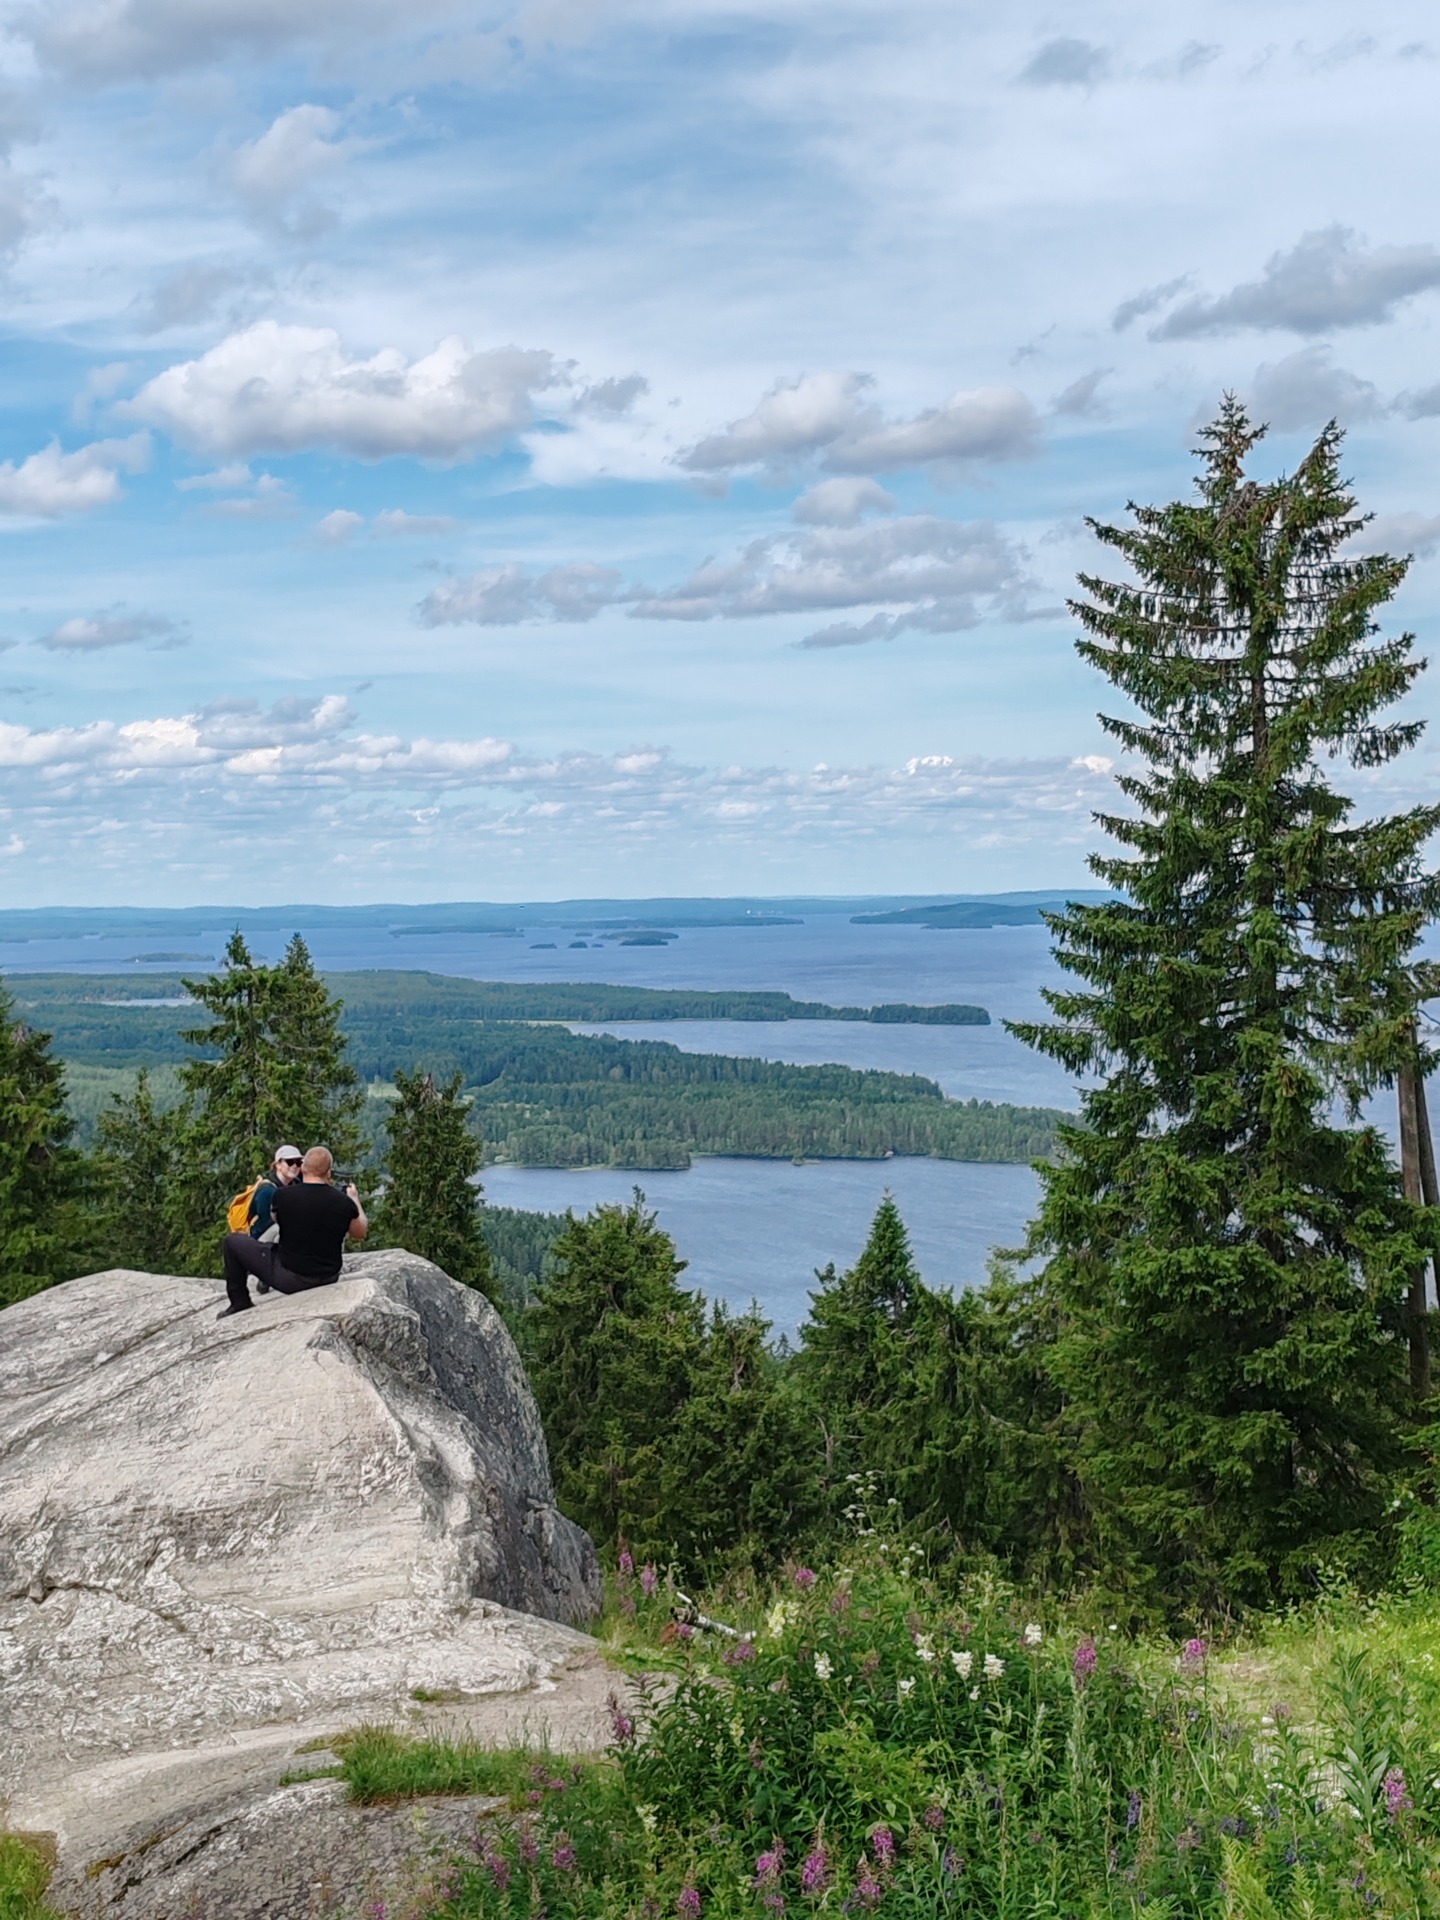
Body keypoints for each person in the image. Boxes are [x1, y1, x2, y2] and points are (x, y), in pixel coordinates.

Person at [218, 1145, 367, 1319]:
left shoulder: (283, 1196)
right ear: (329, 1173)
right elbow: (359, 1232)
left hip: (290, 1278)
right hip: (329, 1276)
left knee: (232, 1242)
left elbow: (275, 1219)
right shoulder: (343, 1202)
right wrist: (355, 1199)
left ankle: (239, 1302)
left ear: (303, 1168)